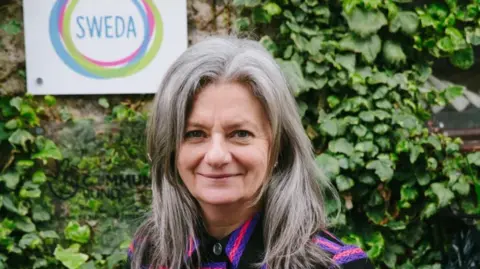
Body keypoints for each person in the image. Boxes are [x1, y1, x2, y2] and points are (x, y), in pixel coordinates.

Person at [127, 35, 374, 269]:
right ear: (169, 149)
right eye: (195, 134)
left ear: (279, 147)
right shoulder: (148, 252)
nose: (216, 156)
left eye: (240, 134)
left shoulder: (333, 265)